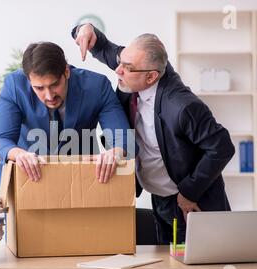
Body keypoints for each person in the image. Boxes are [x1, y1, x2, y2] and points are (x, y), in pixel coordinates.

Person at [72, 24, 235, 244]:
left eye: (126, 67)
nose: (118, 70)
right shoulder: (134, 66)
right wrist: (85, 29)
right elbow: (104, 47)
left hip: (192, 204)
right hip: (159, 199)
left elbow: (222, 147)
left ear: (151, 77)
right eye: (120, 63)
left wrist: (189, 192)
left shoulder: (182, 106)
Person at [0, 41, 131, 185]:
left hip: (81, 182)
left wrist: (116, 153)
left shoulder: (96, 86)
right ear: (28, 80)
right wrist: (19, 154)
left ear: (66, 72)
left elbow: (123, 136)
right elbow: (0, 141)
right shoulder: (14, 86)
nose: (49, 96)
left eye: (54, 85)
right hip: (27, 181)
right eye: (39, 88)